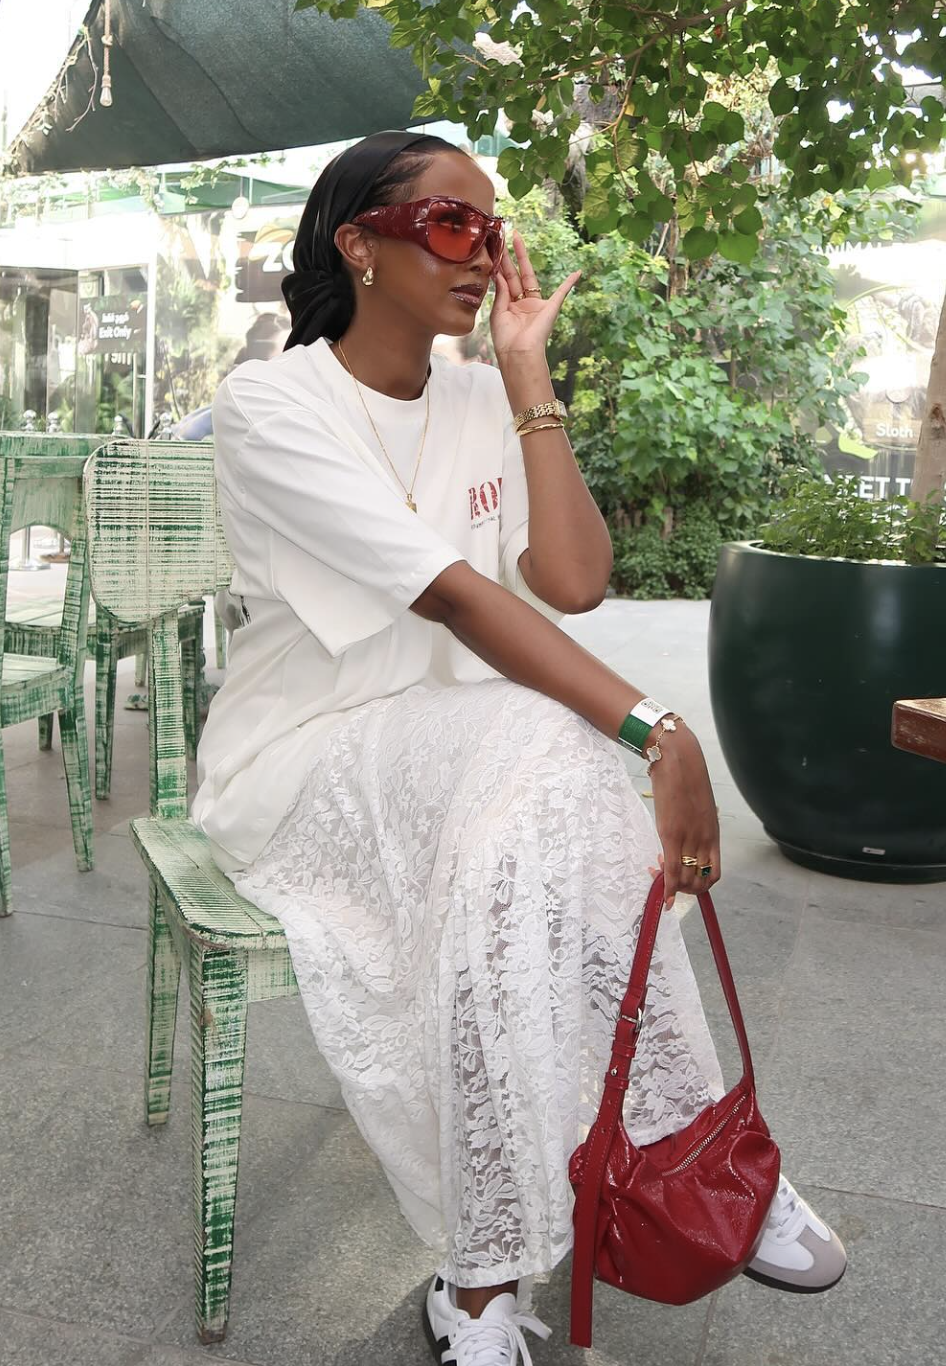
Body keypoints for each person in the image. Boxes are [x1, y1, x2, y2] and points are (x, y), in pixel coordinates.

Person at [190, 129, 845, 1365]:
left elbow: (573, 579)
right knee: (562, 745)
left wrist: (527, 373)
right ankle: (699, 1158)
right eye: (449, 225)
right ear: (358, 245)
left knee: (532, 808)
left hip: (471, 761)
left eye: (493, 230)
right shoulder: (271, 404)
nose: (483, 254)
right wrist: (654, 730)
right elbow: (452, 596)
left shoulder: (485, 395)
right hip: (302, 761)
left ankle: (486, 1275)